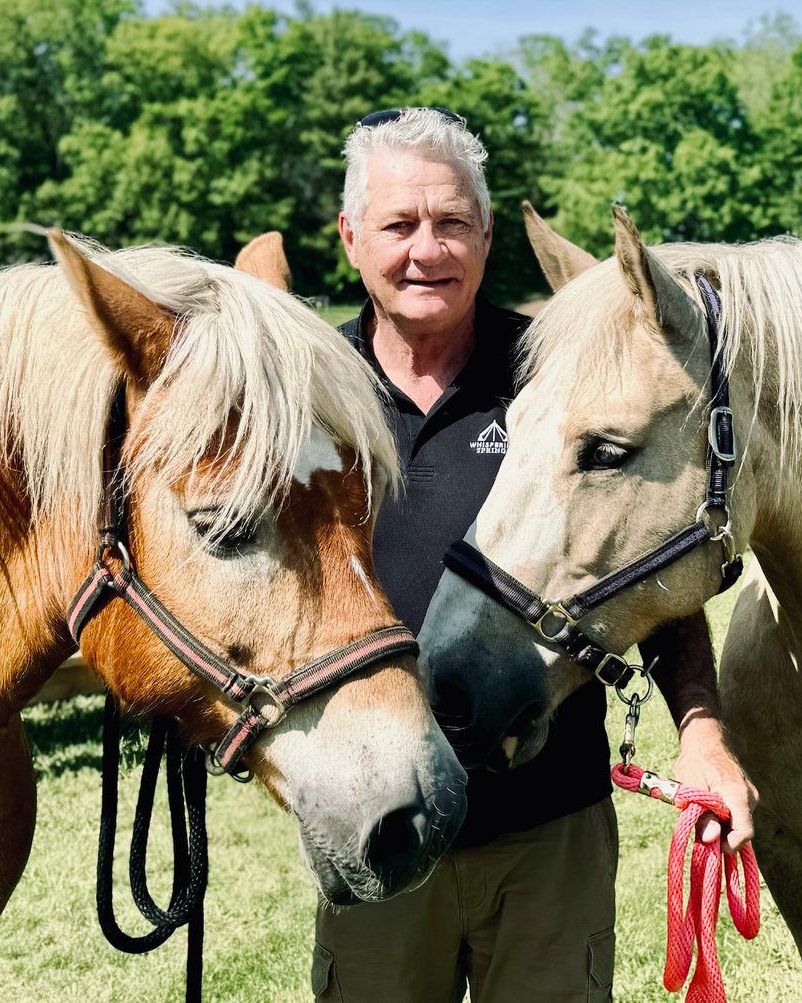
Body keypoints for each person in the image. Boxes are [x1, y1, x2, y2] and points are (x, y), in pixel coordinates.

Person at [311, 107, 755, 1003]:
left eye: (453, 222)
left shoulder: (561, 369)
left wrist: (701, 731)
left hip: (551, 830)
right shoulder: (307, 391)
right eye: (399, 224)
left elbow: (644, 555)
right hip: (379, 825)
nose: (427, 249)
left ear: (485, 236)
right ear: (352, 238)